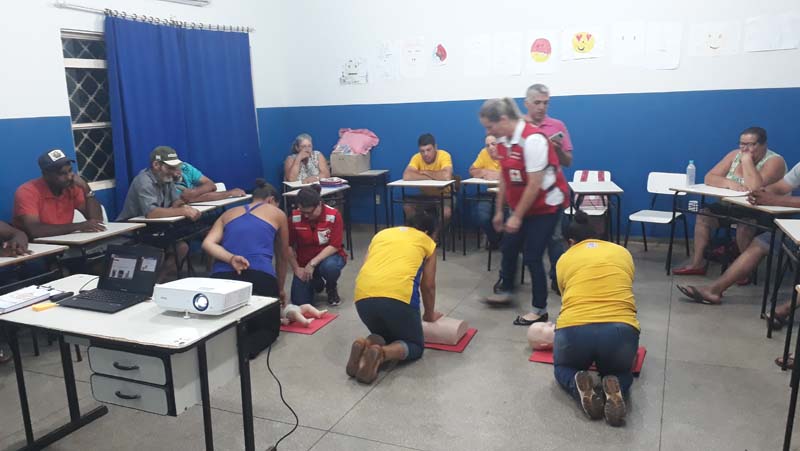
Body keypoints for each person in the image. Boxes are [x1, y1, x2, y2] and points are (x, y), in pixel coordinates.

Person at [479, 98, 569, 326]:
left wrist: (517, 216)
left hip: (547, 205)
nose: (488, 133)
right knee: (508, 245)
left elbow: (534, 184)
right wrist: (499, 211)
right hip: (525, 205)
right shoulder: (503, 141)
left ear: (503, 119)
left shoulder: (533, 140)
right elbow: (505, 177)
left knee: (532, 255)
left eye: (490, 126)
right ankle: (507, 291)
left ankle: (539, 310)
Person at [553, 210, 640, 427]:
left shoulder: (565, 258)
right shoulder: (622, 252)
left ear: (571, 242)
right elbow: (627, 283)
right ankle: (615, 383)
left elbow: (564, 296)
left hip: (575, 329)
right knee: (622, 371)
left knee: (563, 368)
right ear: (597, 234)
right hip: (621, 330)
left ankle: (577, 383)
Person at [676, 161, 800, 307]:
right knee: (761, 243)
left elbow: (777, 195)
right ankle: (713, 290)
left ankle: (787, 309)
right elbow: (781, 186)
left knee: (748, 226)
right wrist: (761, 193)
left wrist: (774, 200)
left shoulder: (774, 160)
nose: (746, 150)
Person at [673, 127, 786, 275]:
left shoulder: (775, 161)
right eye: (742, 144)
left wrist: (746, 161)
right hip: (733, 206)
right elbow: (709, 177)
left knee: (745, 224)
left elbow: (755, 188)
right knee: (704, 215)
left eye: (751, 144)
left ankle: (743, 272)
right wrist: (729, 183)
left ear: (763, 145)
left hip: (760, 210)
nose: (745, 149)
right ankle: (698, 263)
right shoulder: (734, 155)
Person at [347, 211, 442, 384]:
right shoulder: (427, 242)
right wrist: (429, 315)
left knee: (384, 334)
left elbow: (366, 266)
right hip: (398, 300)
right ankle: (382, 354)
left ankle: (364, 345)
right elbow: (428, 286)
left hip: (363, 298)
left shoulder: (381, 235)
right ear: (428, 232)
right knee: (415, 346)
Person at [117, 146, 202, 278]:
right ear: (156, 165)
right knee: (156, 255)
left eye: (175, 168)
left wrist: (184, 205)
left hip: (156, 229)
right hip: (134, 232)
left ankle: (158, 281)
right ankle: (150, 283)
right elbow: (152, 213)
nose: (174, 172)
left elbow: (175, 202)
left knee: (182, 248)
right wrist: (183, 211)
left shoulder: (166, 179)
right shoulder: (144, 182)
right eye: (170, 168)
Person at [524, 83, 575, 294]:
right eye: (537, 103)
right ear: (527, 103)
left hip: (552, 194)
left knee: (555, 239)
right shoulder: (519, 127)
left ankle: (557, 278)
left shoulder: (557, 126)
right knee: (521, 239)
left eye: (546, 103)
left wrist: (557, 151)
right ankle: (512, 279)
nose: (542, 107)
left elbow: (568, 161)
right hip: (526, 194)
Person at [202, 179, 289, 302]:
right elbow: (283, 256)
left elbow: (207, 243)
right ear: (271, 200)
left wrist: (231, 258)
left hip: (222, 277)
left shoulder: (228, 213)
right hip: (261, 276)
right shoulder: (278, 213)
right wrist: (280, 290)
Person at [13, 149, 105, 239]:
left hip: (66, 242)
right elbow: (35, 230)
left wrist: (86, 188)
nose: (69, 177)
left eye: (70, 170)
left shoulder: (71, 186)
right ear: (46, 174)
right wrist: (79, 226)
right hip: (37, 245)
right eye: (62, 173)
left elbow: (97, 221)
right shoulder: (27, 191)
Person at [287, 185, 347, 306]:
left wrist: (312, 263)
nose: (306, 216)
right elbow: (288, 246)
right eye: (303, 212)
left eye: (309, 212)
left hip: (329, 257)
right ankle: (316, 282)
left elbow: (334, 245)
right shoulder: (295, 217)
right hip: (304, 262)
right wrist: (296, 268)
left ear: (319, 204)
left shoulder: (333, 215)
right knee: (300, 302)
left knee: (330, 268)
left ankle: (331, 286)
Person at [402, 133, 455, 225]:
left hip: (445, 195)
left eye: (428, 150)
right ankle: (419, 231)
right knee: (407, 207)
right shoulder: (417, 157)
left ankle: (436, 233)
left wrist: (426, 172)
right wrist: (434, 176)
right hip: (425, 196)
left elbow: (446, 176)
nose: (425, 154)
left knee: (446, 213)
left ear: (435, 147)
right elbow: (407, 176)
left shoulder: (444, 155)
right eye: (422, 151)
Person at [469, 135, 502, 247]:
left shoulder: (508, 152)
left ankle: (505, 241)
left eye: (493, 144)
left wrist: (498, 175)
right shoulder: (484, 153)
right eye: (487, 145)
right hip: (490, 194)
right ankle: (494, 240)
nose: (490, 148)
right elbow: (472, 170)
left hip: (508, 196)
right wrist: (485, 172)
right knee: (481, 214)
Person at [174, 157, 246, 203]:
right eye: (172, 168)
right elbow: (189, 198)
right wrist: (228, 194)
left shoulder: (186, 167)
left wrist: (194, 192)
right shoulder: (168, 183)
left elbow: (211, 185)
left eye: (178, 166)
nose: (177, 172)